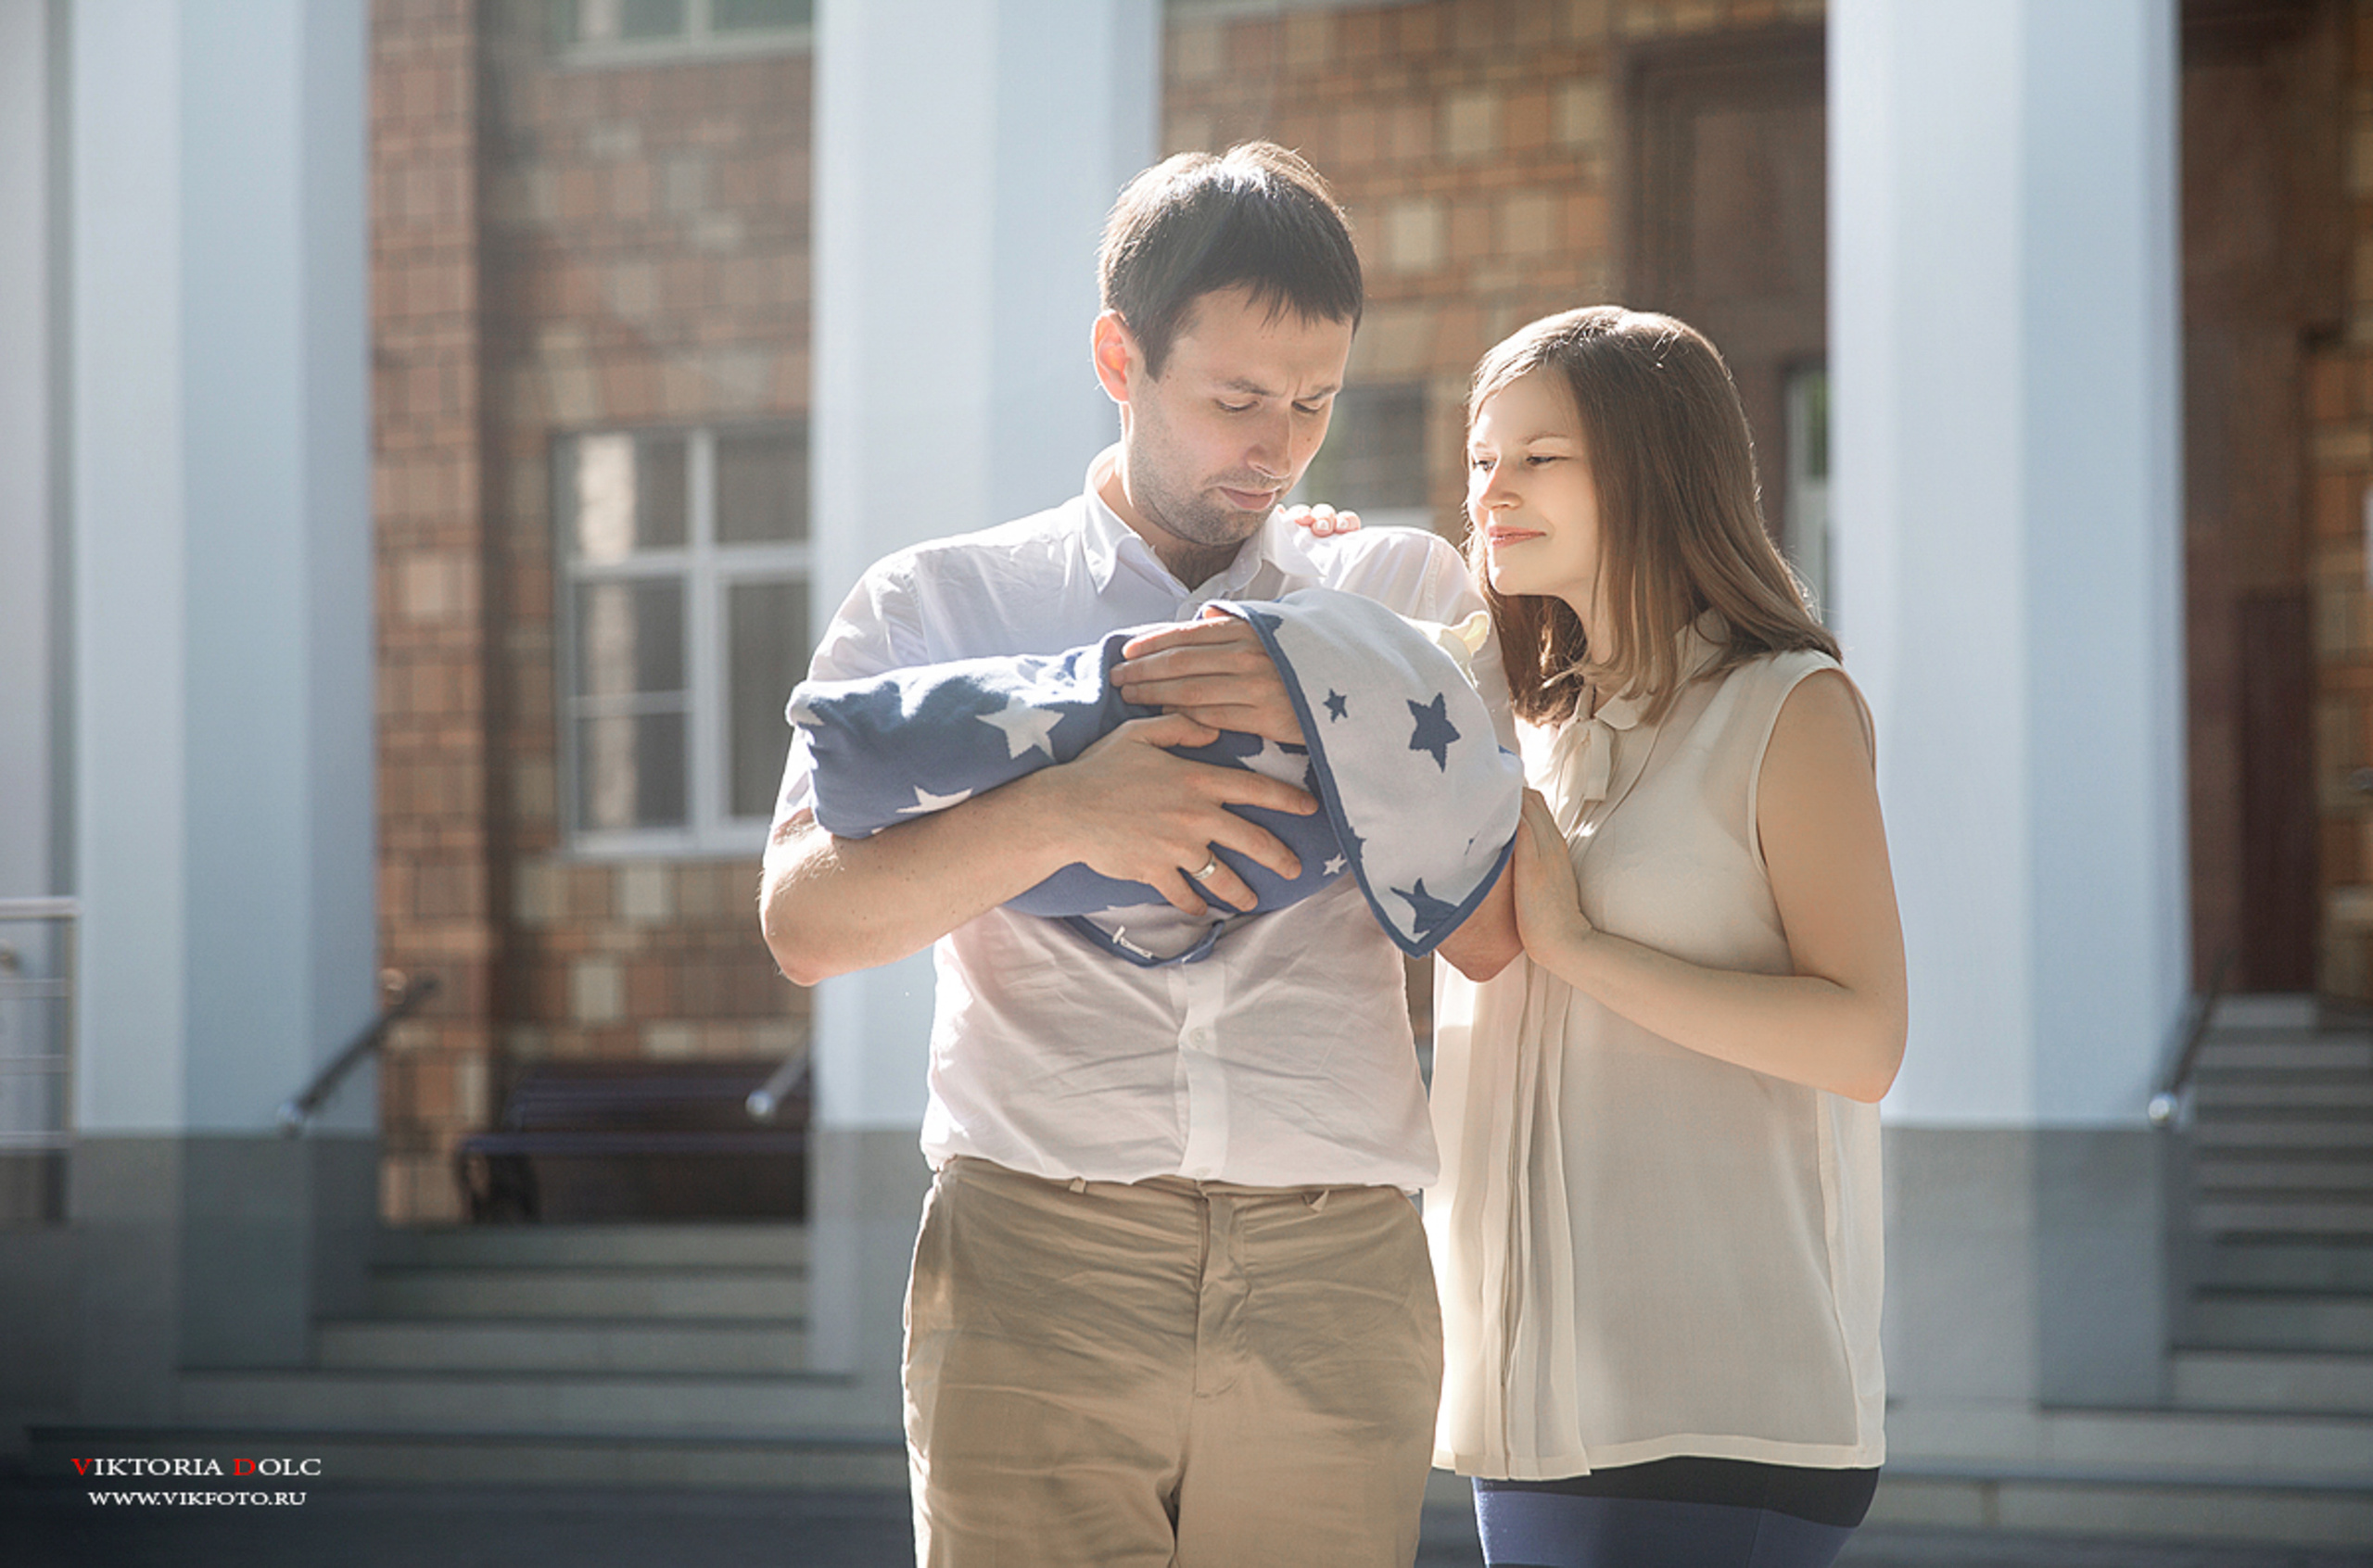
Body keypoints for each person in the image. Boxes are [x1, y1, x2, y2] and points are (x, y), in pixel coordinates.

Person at [758, 142, 1512, 1568]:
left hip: (1334, 1270)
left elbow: (1489, 923)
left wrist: (1333, 682)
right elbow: (804, 922)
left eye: (1314, 402)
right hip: (1036, 1263)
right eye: (1236, 399)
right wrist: (1064, 812)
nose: (1277, 448)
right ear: (1121, 356)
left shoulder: (1397, 596)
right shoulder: (941, 603)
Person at [1417, 307, 1908, 1568]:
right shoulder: (1521, 729)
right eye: (1481, 458)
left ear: (1654, 467)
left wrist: (1581, 947)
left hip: (1720, 1406)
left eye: (1540, 458)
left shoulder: (1786, 708)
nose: (1492, 492)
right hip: (1529, 1410)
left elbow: (1864, 1040)